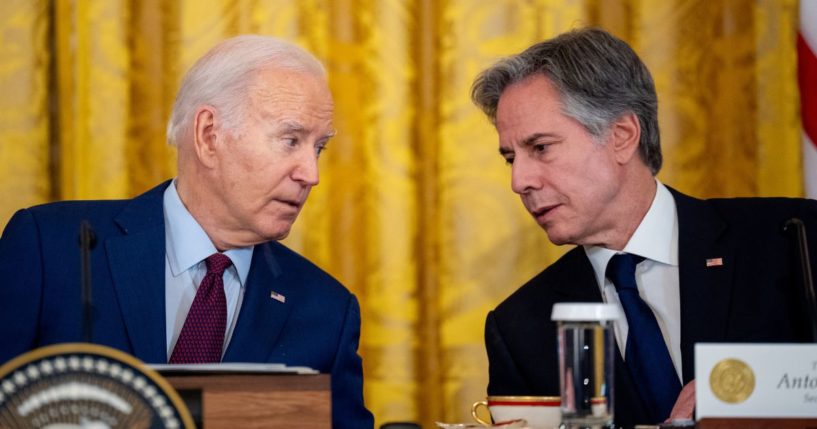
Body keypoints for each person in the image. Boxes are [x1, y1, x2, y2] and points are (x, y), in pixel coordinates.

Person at [0, 35, 373, 428]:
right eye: (290, 140)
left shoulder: (326, 310)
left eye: (319, 148)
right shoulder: (50, 248)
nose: (310, 175)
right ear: (209, 134)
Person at [470, 27, 817, 428]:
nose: (519, 181)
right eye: (511, 158)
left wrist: (758, 390)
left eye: (540, 148)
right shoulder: (520, 326)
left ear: (621, 136)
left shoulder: (792, 239)